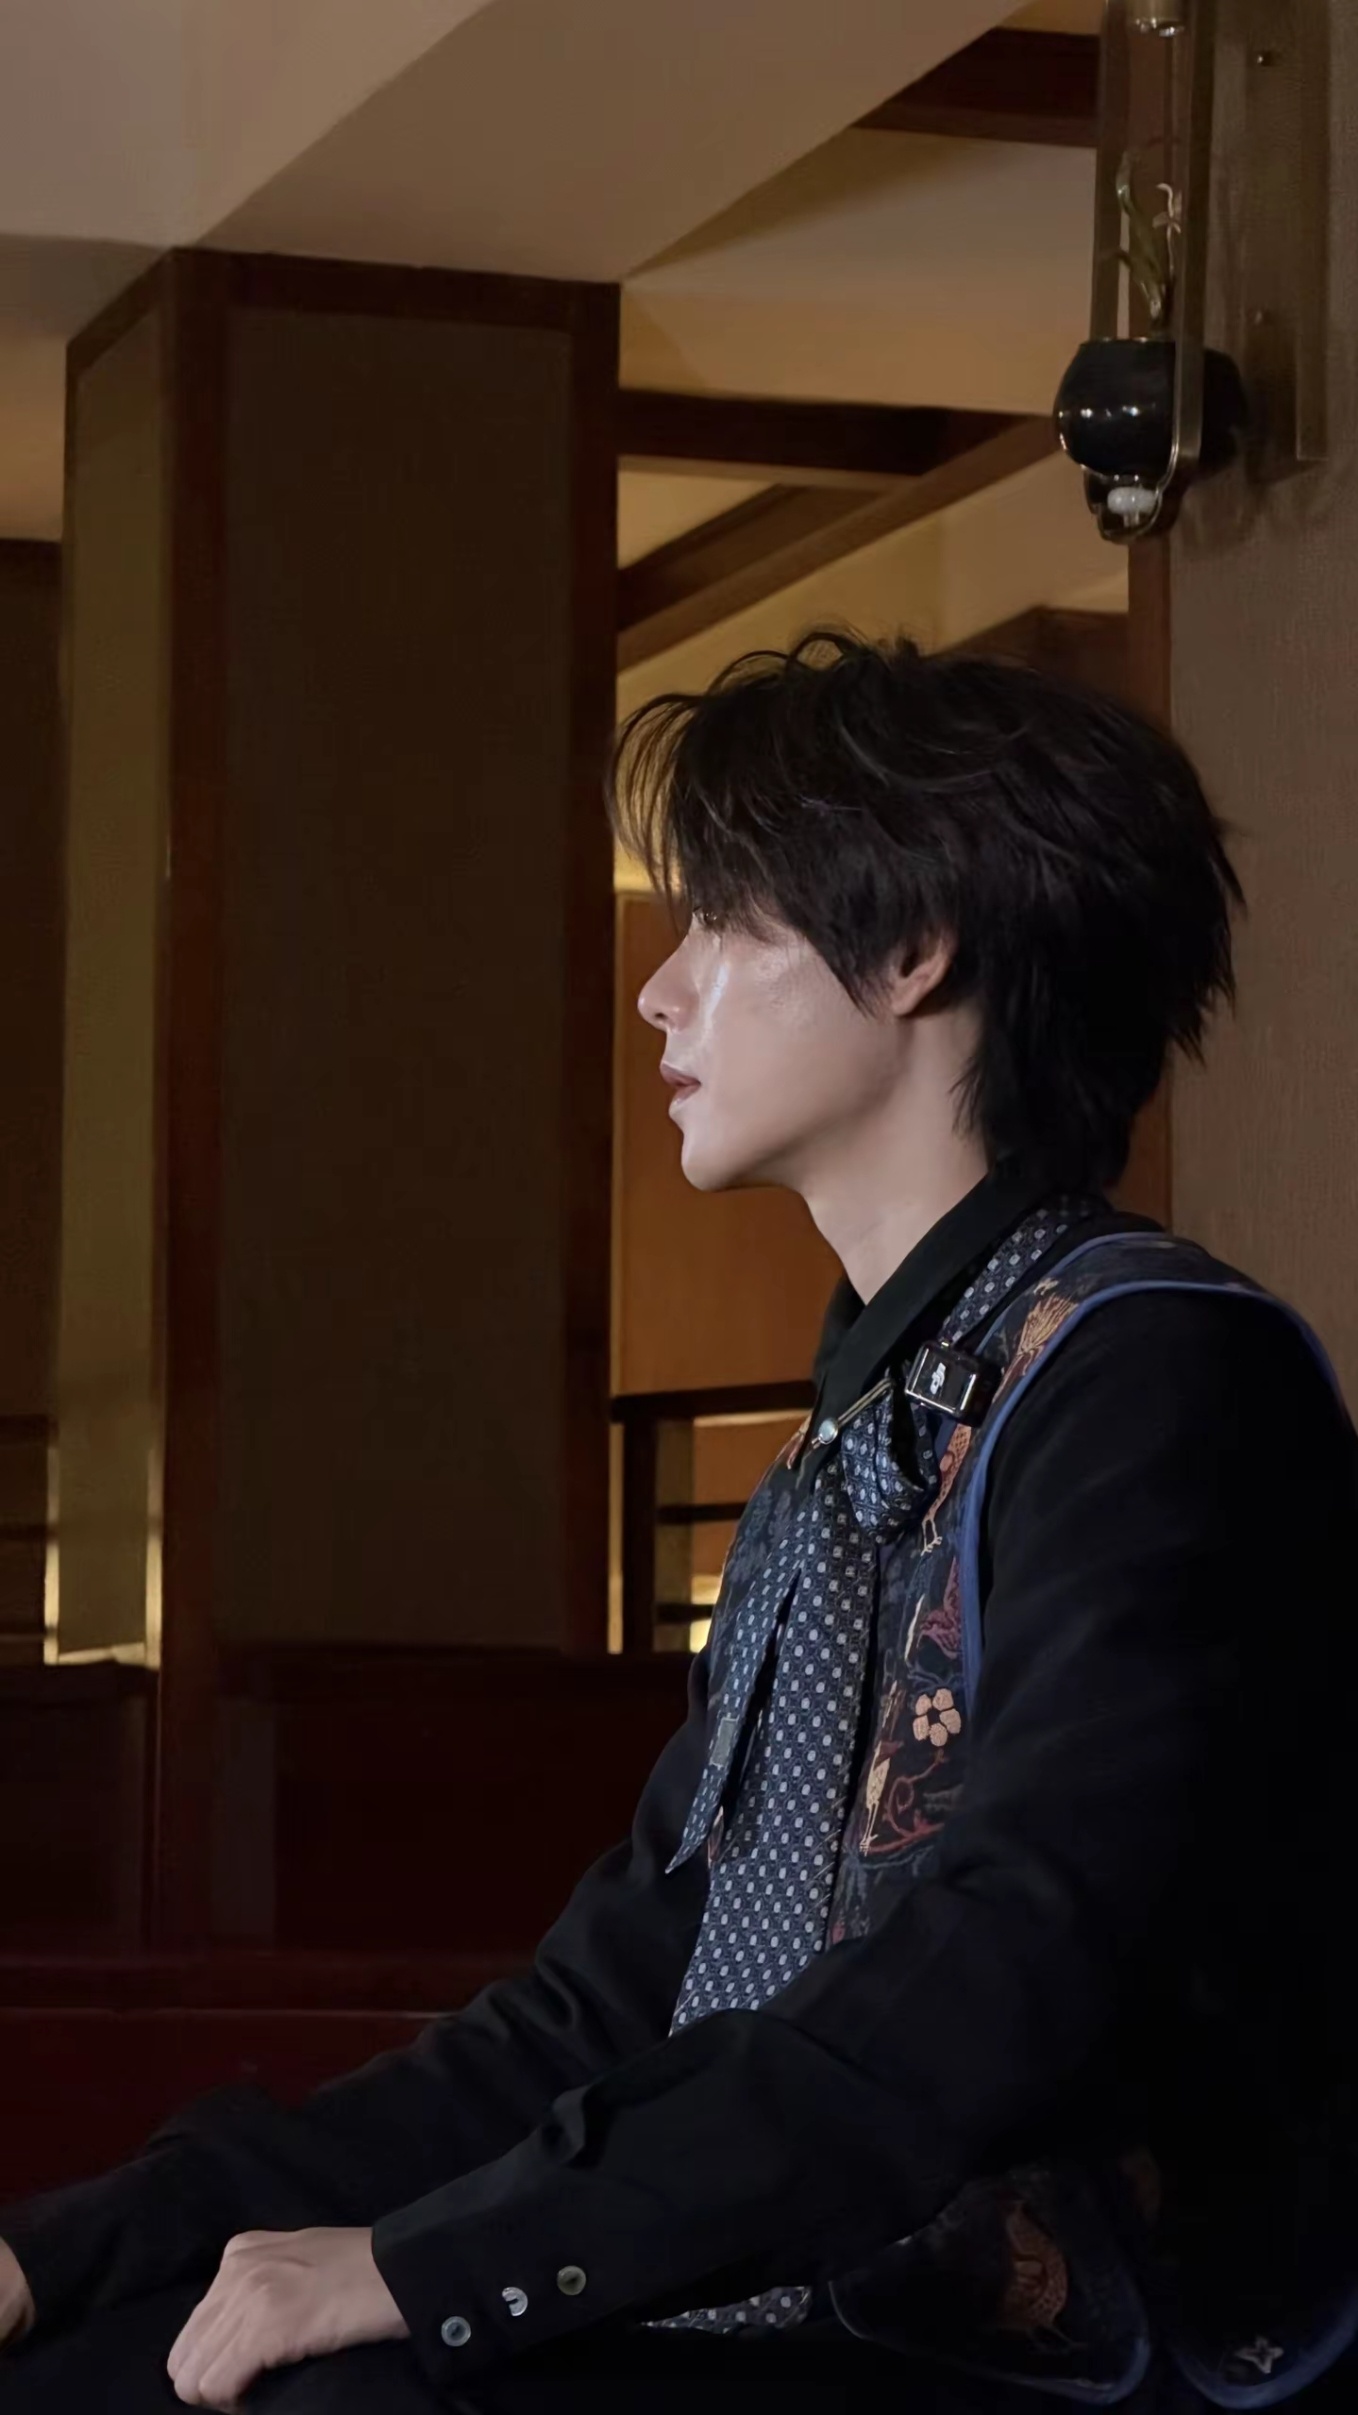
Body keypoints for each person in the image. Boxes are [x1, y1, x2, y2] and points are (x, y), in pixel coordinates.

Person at [4, 630, 1357, 2414]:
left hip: (1069, 2353)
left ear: (912, 948)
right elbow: (608, 2000)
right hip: (798, 2285)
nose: (658, 992)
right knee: (85, 2356)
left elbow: (1009, 1960)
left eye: (723, 923)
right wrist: (87, 2242)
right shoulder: (845, 1446)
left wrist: (451, 2265)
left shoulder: (1154, 1375)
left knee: (328, 2394)